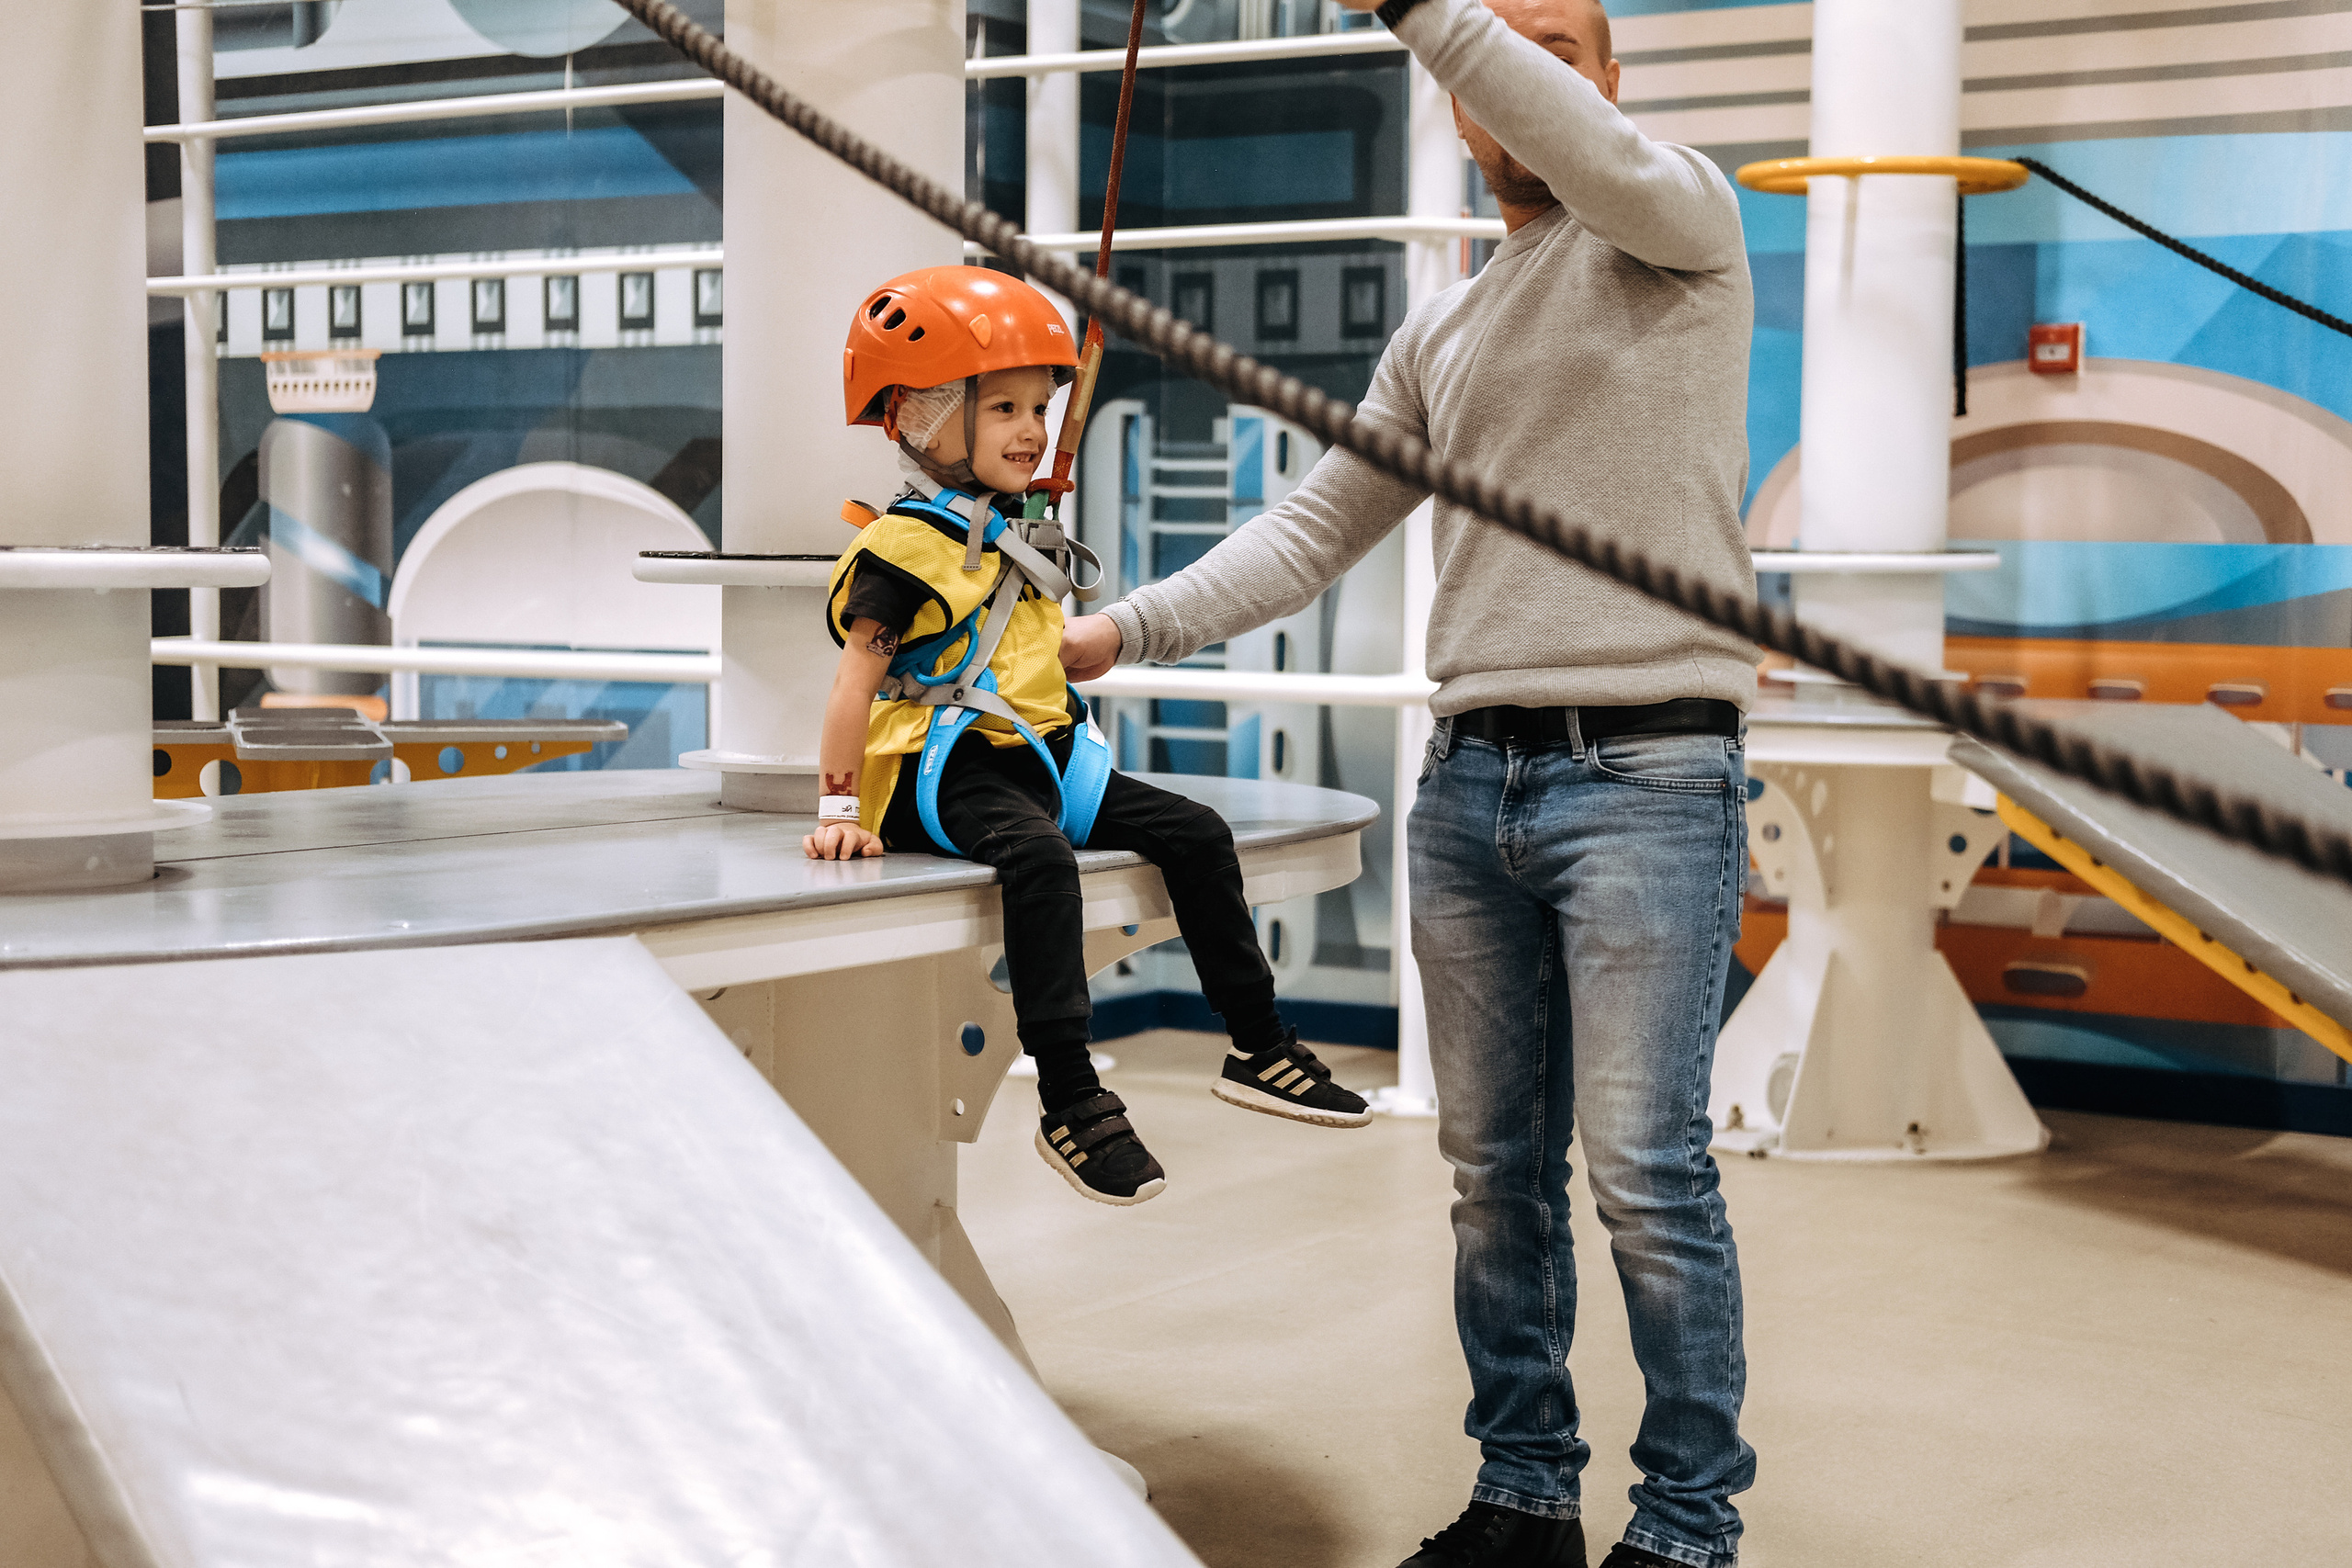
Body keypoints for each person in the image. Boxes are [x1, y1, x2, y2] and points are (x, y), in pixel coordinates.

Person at [1059, 0, 1758, 1561]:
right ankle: (1523, 1495)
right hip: (1475, 783)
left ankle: (1687, 1525)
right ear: (1456, 107)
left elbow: (1588, 148)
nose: (1536, 68)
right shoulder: (1439, 330)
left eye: (1565, 40)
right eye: (1500, 49)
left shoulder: (1682, 219)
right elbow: (1314, 528)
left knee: (1646, 1171)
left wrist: (1439, 14)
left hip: (1650, 773)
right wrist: (1121, 630)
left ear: (1610, 80)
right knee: (1491, 1175)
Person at [805, 265, 1372, 1207]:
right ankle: (1070, 1098)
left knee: (1195, 833)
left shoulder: (1010, 532)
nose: (1032, 430)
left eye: (1040, 407)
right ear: (922, 417)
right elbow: (851, 685)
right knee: (1039, 866)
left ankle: (1259, 1045)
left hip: (1044, 757)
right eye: (1004, 411)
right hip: (941, 768)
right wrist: (836, 808)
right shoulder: (904, 552)